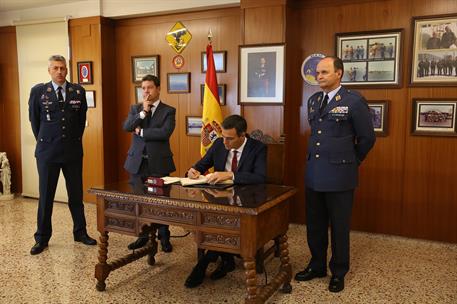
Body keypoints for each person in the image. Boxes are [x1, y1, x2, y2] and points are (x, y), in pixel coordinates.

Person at [294, 56, 376, 293]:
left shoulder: (353, 101)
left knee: (339, 226)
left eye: (324, 72)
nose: (318, 76)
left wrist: (352, 161)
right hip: (314, 173)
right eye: (317, 73)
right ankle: (317, 264)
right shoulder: (313, 100)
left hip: (340, 175)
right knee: (315, 225)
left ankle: (338, 271)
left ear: (338, 73)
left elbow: (367, 138)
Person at [184, 114, 267, 288]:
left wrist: (231, 174)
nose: (225, 143)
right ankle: (226, 259)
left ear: (242, 135)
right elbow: (200, 165)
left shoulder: (257, 148)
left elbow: (260, 177)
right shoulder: (218, 144)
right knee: (209, 219)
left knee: (223, 224)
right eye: (224, 137)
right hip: (220, 199)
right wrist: (192, 170)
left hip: (247, 200)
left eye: (230, 139)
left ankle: (206, 261)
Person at [28, 55, 97, 255]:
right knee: (46, 196)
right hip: (47, 152)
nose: (60, 72)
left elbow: (81, 119)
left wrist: (72, 140)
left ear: (67, 70)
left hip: (72, 151)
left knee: (76, 195)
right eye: (56, 68)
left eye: (63, 68)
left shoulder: (78, 91)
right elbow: (35, 121)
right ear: (49, 70)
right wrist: (47, 140)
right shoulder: (39, 91)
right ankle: (41, 237)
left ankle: (80, 232)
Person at [123, 74, 176, 253]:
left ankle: (164, 237)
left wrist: (143, 132)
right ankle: (143, 236)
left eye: (150, 88)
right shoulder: (136, 108)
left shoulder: (168, 110)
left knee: (160, 202)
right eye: (143, 88)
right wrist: (143, 112)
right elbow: (127, 127)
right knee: (140, 201)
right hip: (137, 164)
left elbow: (164, 133)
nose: (146, 91)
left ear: (158, 88)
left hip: (159, 164)